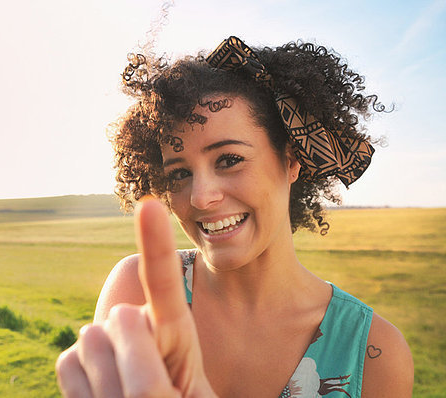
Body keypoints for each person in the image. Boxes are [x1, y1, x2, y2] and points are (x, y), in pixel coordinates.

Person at [56, 36, 414, 397]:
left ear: (291, 161)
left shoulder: (375, 355)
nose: (201, 197)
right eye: (180, 173)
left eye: (229, 160)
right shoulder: (135, 292)